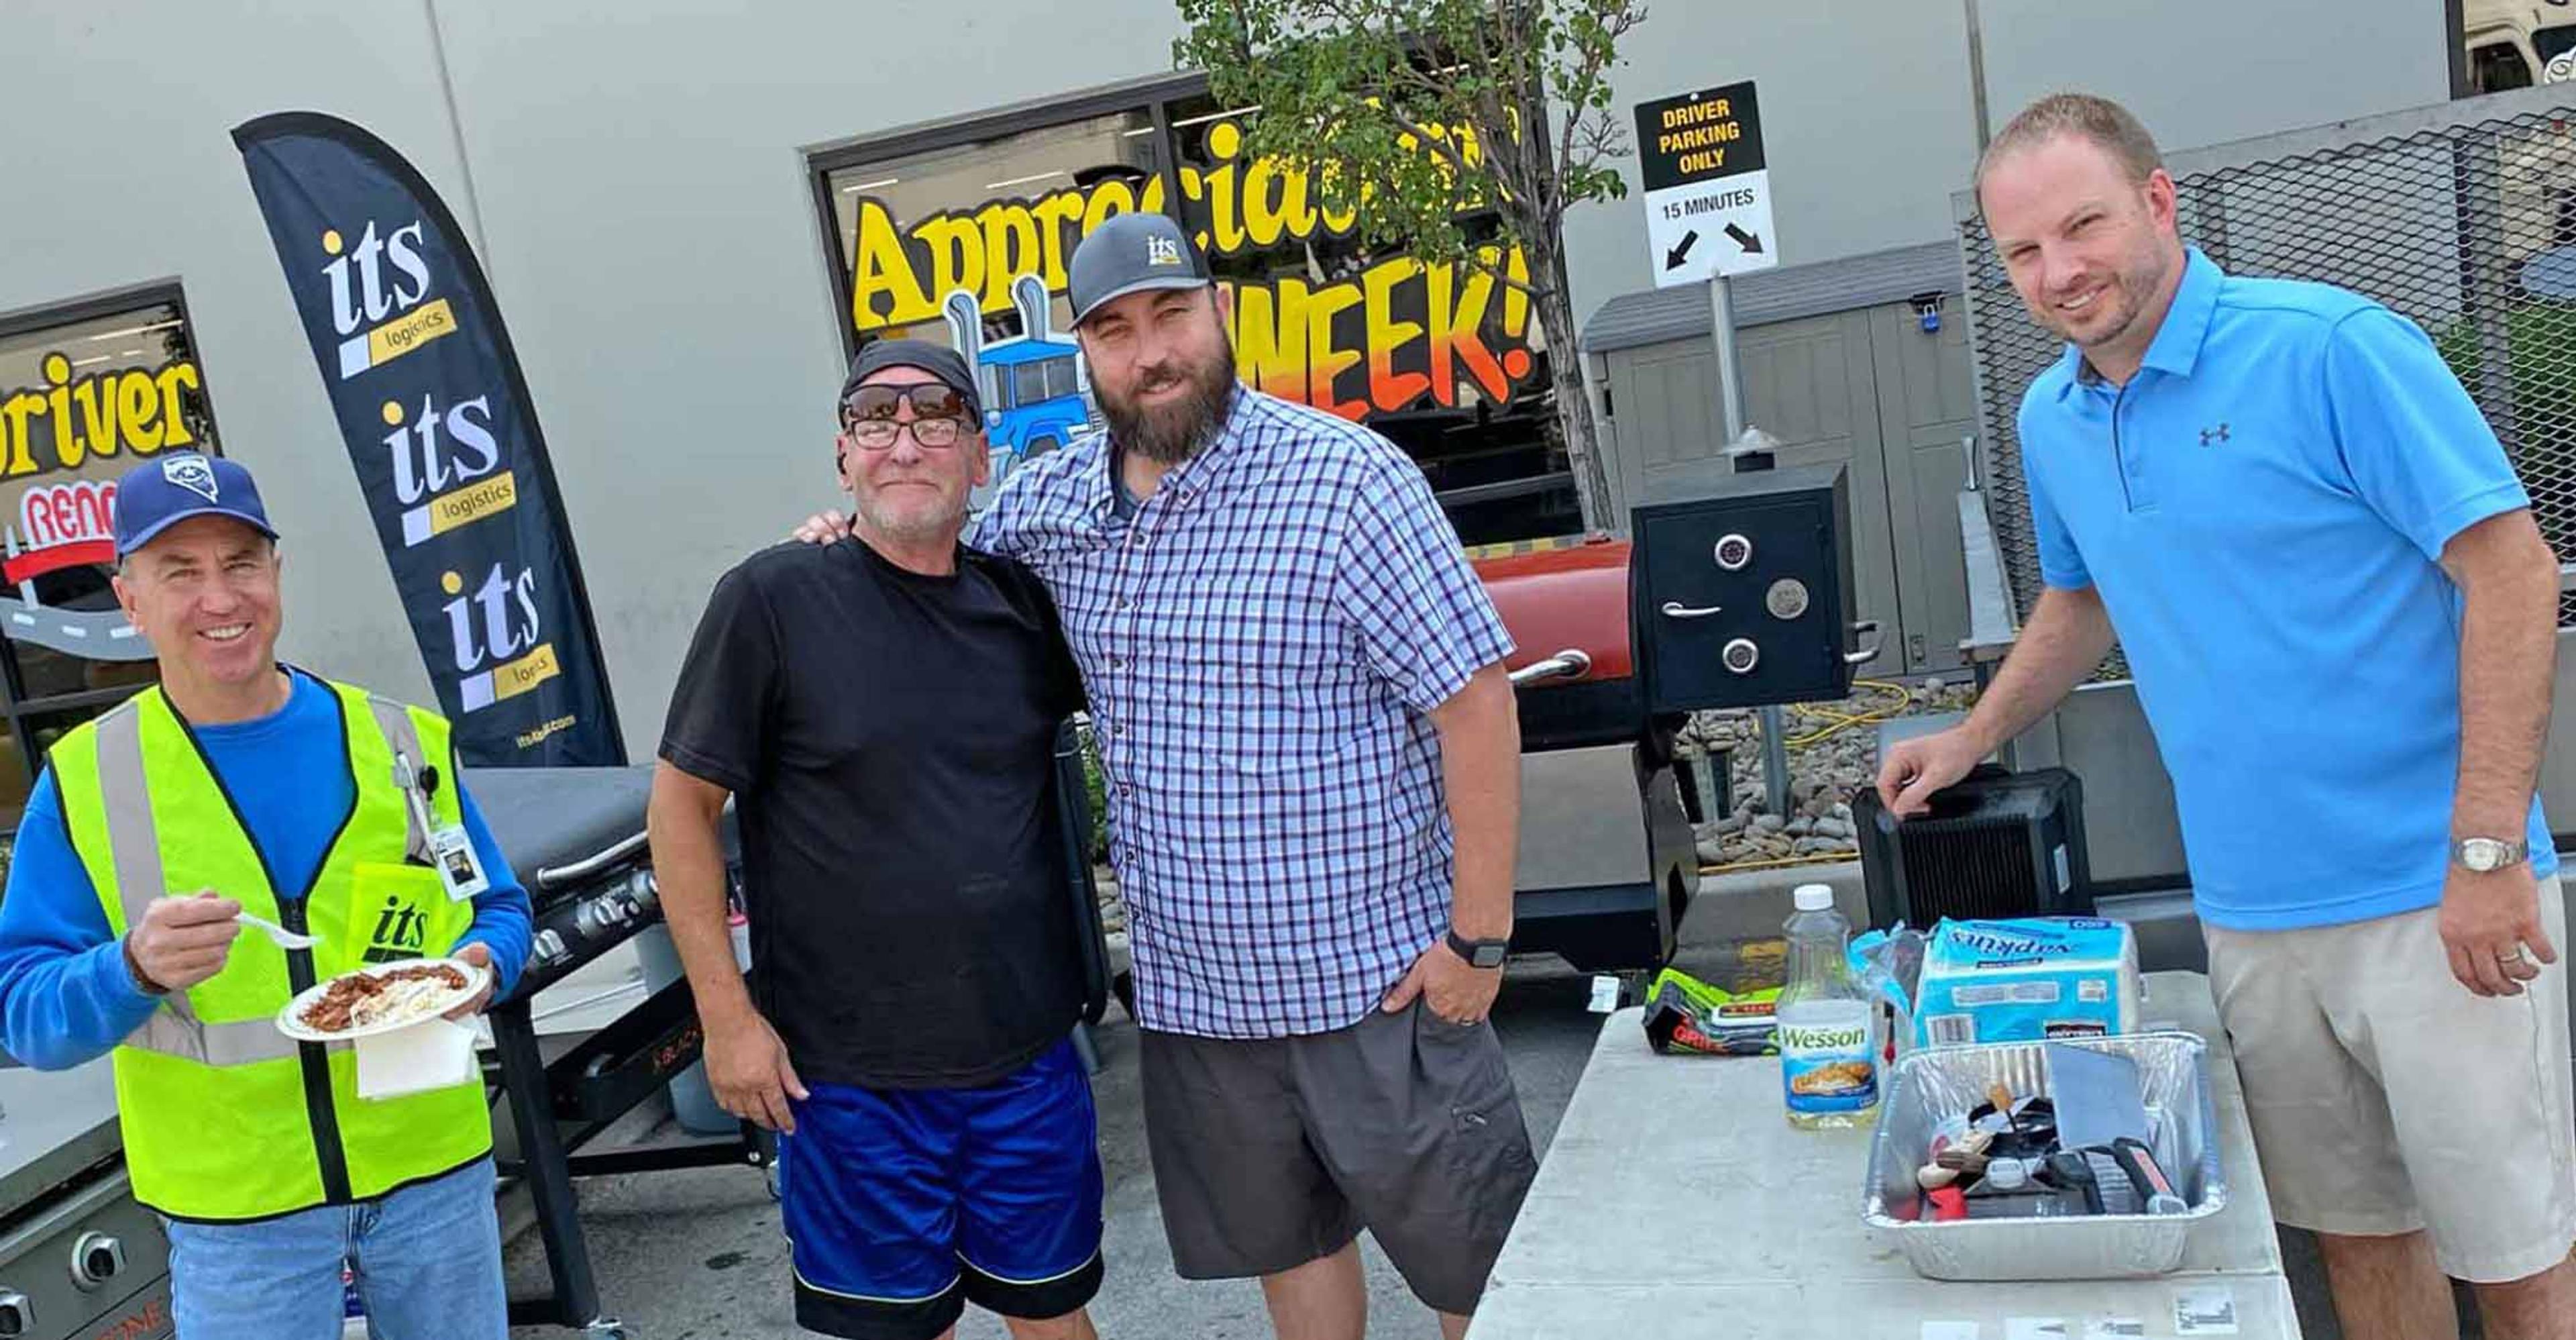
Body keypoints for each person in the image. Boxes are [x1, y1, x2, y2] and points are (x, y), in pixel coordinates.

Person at [1882, 93, 2571, 1340]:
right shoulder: (2054, 415)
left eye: (2083, 226)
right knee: (2360, 1245)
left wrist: (2485, 851)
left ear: (2158, 201)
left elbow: (2513, 570)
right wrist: (1971, 737)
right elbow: (2083, 600)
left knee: (2516, 1264)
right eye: (2024, 252)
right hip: (2252, 912)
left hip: (2436, 898)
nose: (2060, 272)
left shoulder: (2330, 349)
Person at [799, 211, 1532, 1340]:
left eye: (1171, 314)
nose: (1151, 352)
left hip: (1379, 983)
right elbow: (927, 538)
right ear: (1083, 354)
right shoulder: (1051, 511)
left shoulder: (1345, 482)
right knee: (1294, 1250)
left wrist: (1477, 938)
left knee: (1479, 1270)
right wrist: (841, 538)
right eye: (1114, 330)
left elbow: (1474, 701)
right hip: (1204, 1007)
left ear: (1222, 314)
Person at [0, 452, 531, 1340]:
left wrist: (487, 964)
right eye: (181, 571)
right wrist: (127, 967)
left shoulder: (396, 739)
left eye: (241, 562)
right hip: (237, 1213)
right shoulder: (88, 780)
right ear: (129, 599)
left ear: (276, 574)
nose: (221, 598)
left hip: (432, 1173)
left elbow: (499, 907)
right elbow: (22, 1012)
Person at [650, 340, 1102, 1340]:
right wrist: (727, 1018)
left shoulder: (1025, 607)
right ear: (843, 456)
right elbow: (680, 811)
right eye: (875, 421)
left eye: (935, 418)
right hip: (847, 1079)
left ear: (981, 458)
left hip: (1025, 1057)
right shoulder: (769, 600)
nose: (905, 442)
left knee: (1056, 1313)